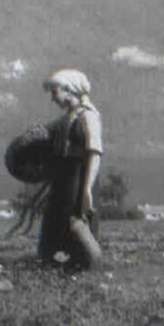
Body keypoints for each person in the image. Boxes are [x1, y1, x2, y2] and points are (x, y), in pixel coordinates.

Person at [38, 69, 103, 268]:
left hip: (77, 180)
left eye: (55, 91)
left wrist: (86, 190)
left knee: (75, 223)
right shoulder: (68, 118)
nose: (52, 98)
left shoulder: (88, 116)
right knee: (53, 227)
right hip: (63, 182)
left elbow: (94, 152)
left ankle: (90, 263)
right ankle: (56, 265)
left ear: (69, 90)